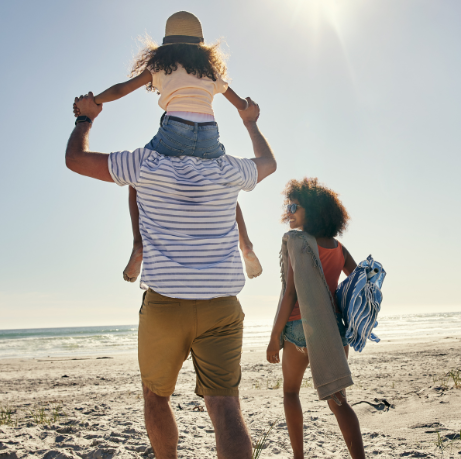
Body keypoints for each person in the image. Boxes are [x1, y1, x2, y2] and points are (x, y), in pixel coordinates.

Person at [66, 91, 276, 459]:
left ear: (165, 127)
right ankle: (243, 246)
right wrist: (251, 123)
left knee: (156, 397)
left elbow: (76, 159)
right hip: (222, 306)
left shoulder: (145, 164)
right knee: (225, 406)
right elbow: (269, 162)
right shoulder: (227, 168)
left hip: (166, 304)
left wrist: (85, 119)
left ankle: (139, 246)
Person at [73, 11, 262, 282]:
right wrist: (250, 110)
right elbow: (240, 105)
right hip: (208, 135)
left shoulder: (163, 68)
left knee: (135, 177)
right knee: (227, 185)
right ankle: (246, 245)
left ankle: (139, 244)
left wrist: (92, 103)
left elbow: (121, 89)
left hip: (175, 132)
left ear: (166, 46)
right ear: (202, 47)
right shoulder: (211, 72)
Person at [266, 178, 366, 459]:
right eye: (288, 206)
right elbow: (358, 283)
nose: (289, 212)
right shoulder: (338, 248)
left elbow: (289, 294)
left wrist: (274, 338)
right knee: (339, 402)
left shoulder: (297, 242)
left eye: (294, 206)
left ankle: (298, 456)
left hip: (299, 327)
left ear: (314, 210)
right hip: (334, 330)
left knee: (290, 393)